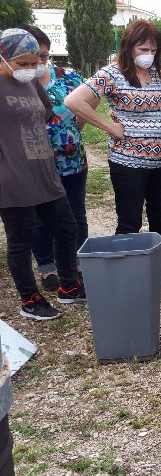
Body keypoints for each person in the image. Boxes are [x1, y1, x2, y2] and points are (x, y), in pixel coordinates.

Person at [65, 20, 161, 291]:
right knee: (130, 221)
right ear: (129, 47)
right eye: (143, 47)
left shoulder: (157, 74)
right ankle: (124, 278)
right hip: (128, 162)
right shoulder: (112, 74)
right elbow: (73, 101)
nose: (148, 52)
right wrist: (109, 127)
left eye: (153, 48)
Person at [0, 28, 84, 320]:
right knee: (21, 240)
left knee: (66, 227)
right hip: (11, 176)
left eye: (34, 62)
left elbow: (47, 110)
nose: (30, 69)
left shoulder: (32, 83)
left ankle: (69, 284)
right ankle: (29, 299)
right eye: (22, 64)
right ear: (3, 57)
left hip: (44, 170)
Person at [19, 25, 88, 291]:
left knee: (75, 214)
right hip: (34, 166)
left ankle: (78, 264)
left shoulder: (68, 79)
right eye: (34, 57)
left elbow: (86, 107)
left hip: (71, 161)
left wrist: (72, 136)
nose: (39, 63)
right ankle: (48, 268)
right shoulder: (14, 86)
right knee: (40, 218)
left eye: (44, 57)